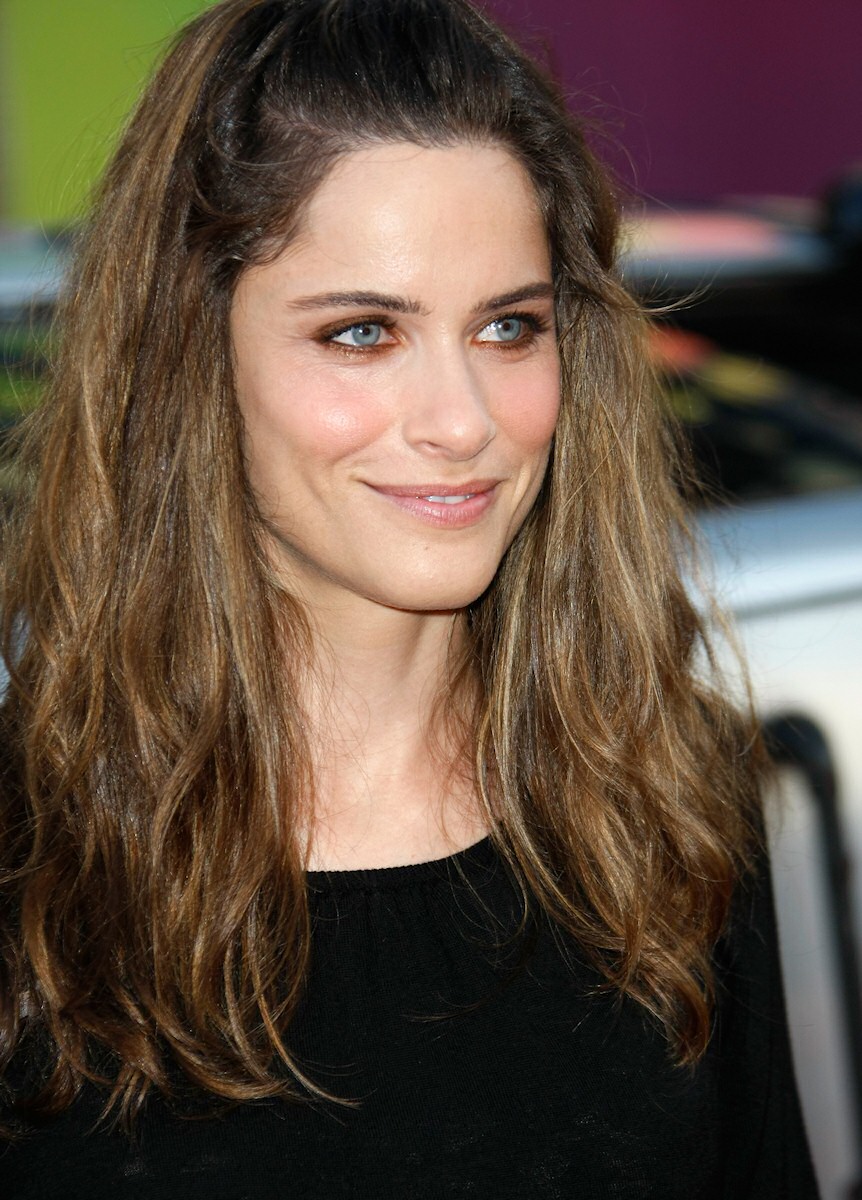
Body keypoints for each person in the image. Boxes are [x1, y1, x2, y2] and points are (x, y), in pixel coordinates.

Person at [0, 0, 818, 1195]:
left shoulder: (661, 801)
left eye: (506, 326)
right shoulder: (33, 860)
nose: (463, 423)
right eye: (363, 332)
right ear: (191, 356)